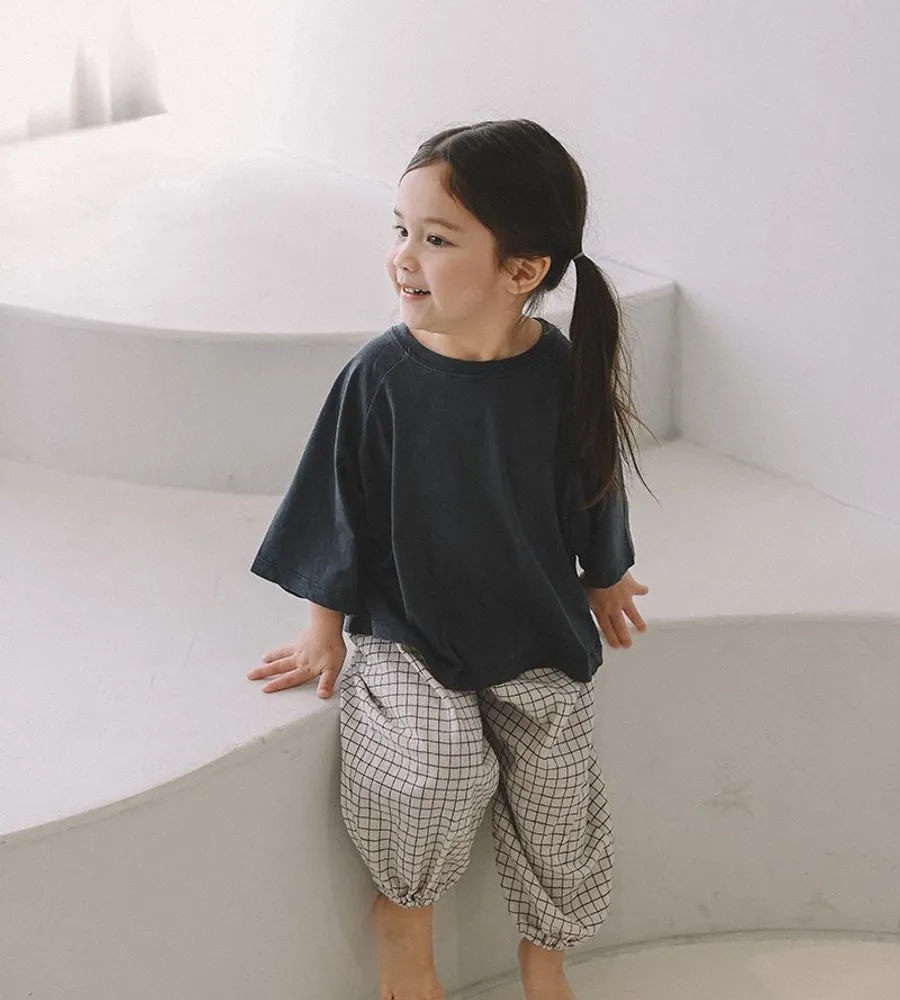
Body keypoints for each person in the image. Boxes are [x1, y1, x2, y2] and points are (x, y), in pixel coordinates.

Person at [246, 119, 653, 1000]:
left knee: (560, 788)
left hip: (533, 622)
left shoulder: (557, 369)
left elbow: (591, 483)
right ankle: (404, 920)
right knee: (435, 771)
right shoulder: (380, 377)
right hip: (411, 628)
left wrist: (605, 573)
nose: (403, 257)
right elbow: (334, 502)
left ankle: (547, 956)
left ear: (522, 270)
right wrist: (323, 628)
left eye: (435, 239)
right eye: (401, 229)